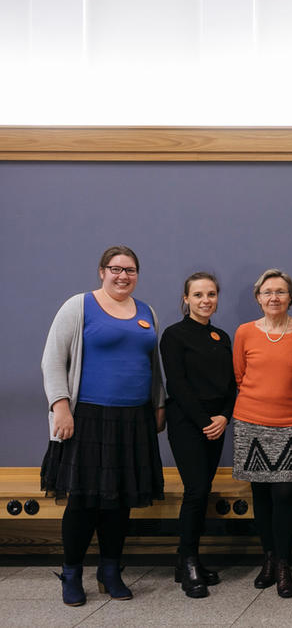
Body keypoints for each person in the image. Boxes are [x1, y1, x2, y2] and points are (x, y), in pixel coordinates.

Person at [41, 245, 166, 606]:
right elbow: (52, 359)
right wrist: (61, 407)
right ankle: (71, 573)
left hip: (134, 420)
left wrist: (158, 405)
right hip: (87, 419)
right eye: (115, 268)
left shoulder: (147, 312)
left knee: (119, 502)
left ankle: (110, 571)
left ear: (137, 275)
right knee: (82, 502)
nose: (122, 275)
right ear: (101, 271)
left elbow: (153, 365)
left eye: (130, 270)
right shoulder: (78, 306)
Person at [232, 268, 292, 599]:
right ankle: (268, 559)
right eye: (267, 292)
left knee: (283, 494)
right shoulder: (244, 333)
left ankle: (284, 564)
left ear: (290, 297)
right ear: (258, 298)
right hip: (250, 421)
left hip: (291, 421)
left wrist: (285, 405)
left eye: (280, 292)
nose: (274, 297)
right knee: (261, 495)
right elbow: (240, 375)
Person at [160, 272, 236, 598]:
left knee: (203, 491)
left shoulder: (222, 337)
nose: (205, 300)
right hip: (187, 423)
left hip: (216, 423)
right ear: (186, 299)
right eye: (198, 295)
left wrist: (224, 417)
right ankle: (189, 560)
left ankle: (185, 560)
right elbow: (177, 385)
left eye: (211, 294)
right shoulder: (174, 336)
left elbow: (233, 384)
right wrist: (206, 420)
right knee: (196, 489)